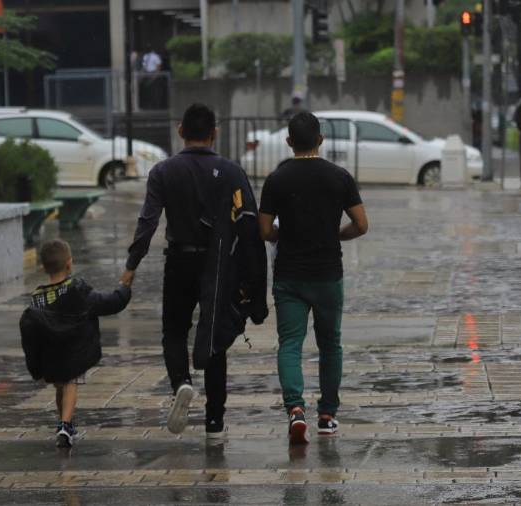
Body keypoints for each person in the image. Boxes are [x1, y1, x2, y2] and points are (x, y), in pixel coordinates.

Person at [121, 103, 268, 439]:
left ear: (180, 131)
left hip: (179, 261)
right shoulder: (231, 171)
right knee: (215, 334)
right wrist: (252, 280)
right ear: (214, 133)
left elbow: (147, 222)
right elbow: (248, 226)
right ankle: (214, 421)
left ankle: (181, 383)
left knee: (174, 331)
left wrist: (131, 266)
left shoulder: (163, 171)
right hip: (219, 266)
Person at [258, 111, 368, 445]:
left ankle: (295, 409)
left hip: (289, 276)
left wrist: (283, 235)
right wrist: (336, 235)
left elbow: (264, 230)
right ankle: (327, 416)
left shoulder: (276, 180)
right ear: (320, 139)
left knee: (290, 344)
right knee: (330, 344)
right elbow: (361, 224)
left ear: (289, 141)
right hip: (327, 275)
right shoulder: (340, 177)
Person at [20, 239, 132, 448]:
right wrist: (124, 288)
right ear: (69, 264)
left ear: (43, 268)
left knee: (60, 387)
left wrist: (36, 366)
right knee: (71, 383)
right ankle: (65, 425)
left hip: (51, 357)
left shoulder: (37, 299)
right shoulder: (77, 292)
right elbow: (110, 303)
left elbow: (31, 335)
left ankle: (64, 421)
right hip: (74, 353)